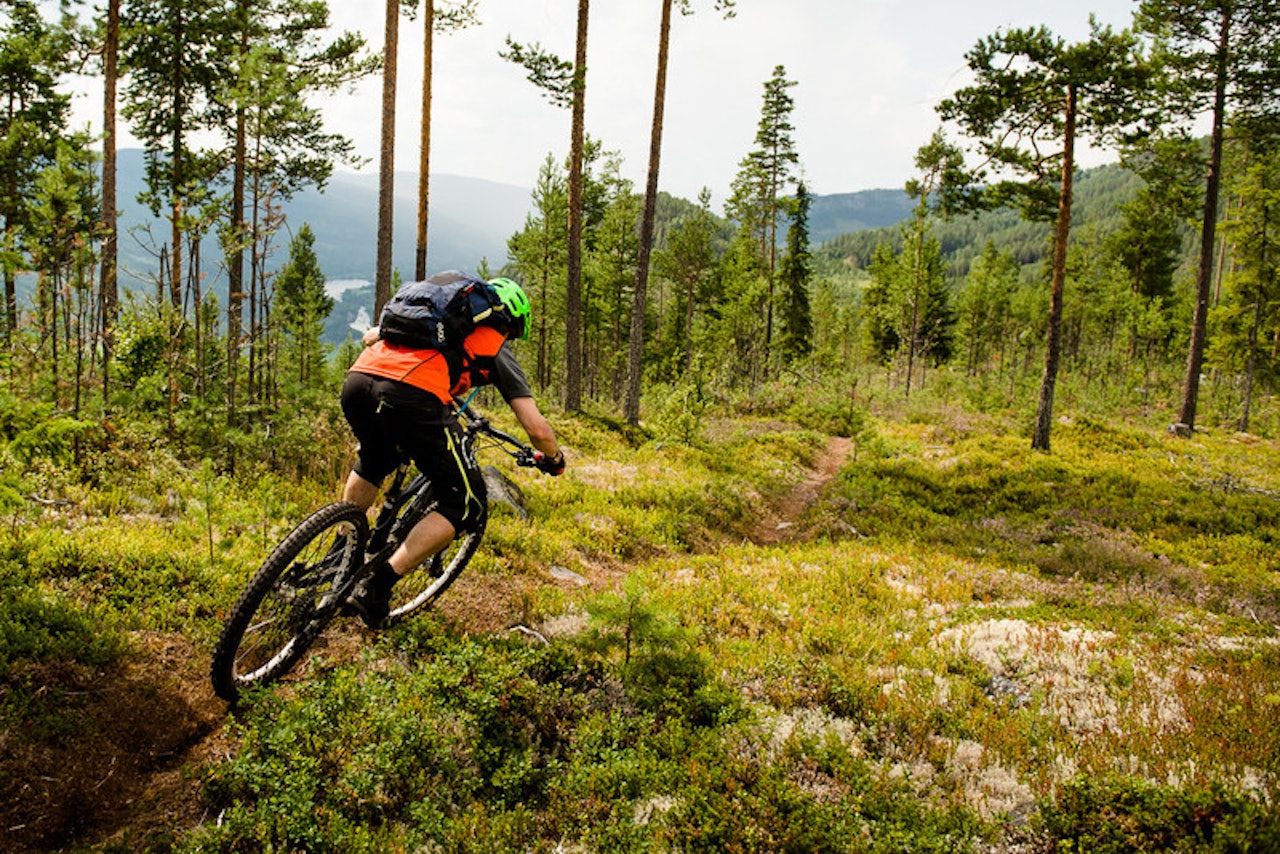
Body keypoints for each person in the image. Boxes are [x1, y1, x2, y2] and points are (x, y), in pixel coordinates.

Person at [339, 271, 565, 628]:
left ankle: (341, 553)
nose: (509, 338)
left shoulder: (433, 323)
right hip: (409, 396)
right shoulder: (494, 341)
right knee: (464, 503)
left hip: (358, 381)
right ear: (510, 319)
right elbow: (536, 427)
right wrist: (554, 459)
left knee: (374, 458)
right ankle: (375, 588)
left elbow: (371, 337)